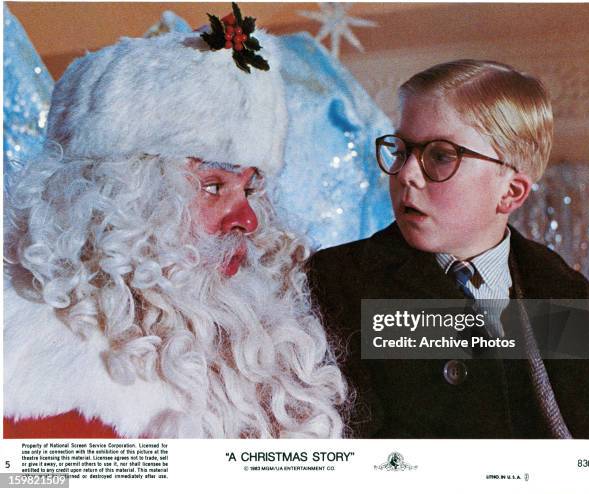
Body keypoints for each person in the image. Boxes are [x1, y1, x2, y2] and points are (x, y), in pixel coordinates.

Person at [4, 9, 347, 439]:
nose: (248, 220)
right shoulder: (34, 371)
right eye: (213, 186)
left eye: (251, 190)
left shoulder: (271, 338)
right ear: (117, 202)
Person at [308, 60, 589, 439]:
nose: (406, 174)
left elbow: (588, 438)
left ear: (510, 192)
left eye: (440, 156)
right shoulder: (337, 283)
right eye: (401, 149)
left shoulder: (564, 291)